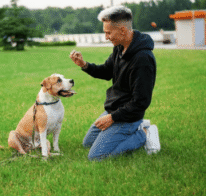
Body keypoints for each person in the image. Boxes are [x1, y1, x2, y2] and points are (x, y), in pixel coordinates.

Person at [69, 6, 161, 161]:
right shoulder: (119, 48)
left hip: (129, 116)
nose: (106, 37)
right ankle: (132, 130)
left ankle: (143, 133)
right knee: (88, 143)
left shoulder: (143, 59)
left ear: (123, 30)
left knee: (97, 156)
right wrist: (84, 64)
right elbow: (106, 72)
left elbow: (141, 102)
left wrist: (112, 118)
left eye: (108, 33)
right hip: (114, 111)